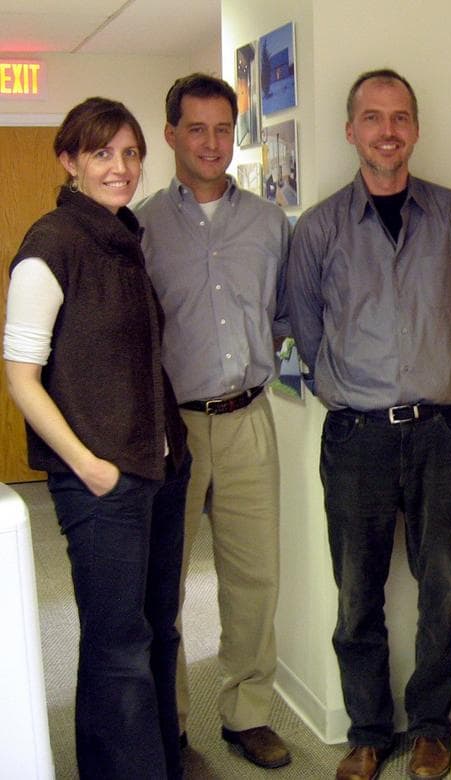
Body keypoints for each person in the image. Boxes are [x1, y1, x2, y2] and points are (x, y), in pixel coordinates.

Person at [286, 68, 451, 780]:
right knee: (357, 591)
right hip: (358, 440)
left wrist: (440, 372)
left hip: (442, 434)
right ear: (351, 130)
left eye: (400, 116)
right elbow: (306, 334)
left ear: (416, 128)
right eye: (373, 117)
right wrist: (344, 388)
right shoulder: (317, 230)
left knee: (443, 584)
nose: (388, 131)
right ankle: (368, 732)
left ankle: (432, 726)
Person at [3, 97, 190, 779]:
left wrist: (170, 458)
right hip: (101, 481)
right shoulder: (51, 244)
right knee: (118, 647)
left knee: (155, 633)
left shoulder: (122, 238)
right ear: (70, 161)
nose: (121, 167)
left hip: (158, 468)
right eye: (103, 153)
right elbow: (22, 378)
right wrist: (88, 465)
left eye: (132, 153)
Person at [135, 73, 291, 769]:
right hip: (173, 430)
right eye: (195, 129)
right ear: (169, 134)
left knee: (256, 579)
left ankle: (247, 713)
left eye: (223, 129)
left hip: (250, 418)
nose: (210, 143)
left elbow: (286, 314)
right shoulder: (138, 227)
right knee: (162, 588)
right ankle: (170, 727)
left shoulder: (268, 223)